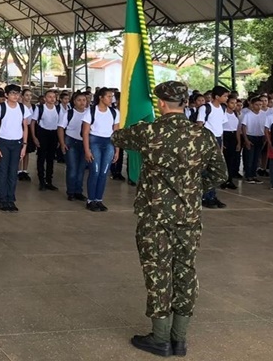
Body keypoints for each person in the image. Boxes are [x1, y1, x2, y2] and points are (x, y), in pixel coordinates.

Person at [111, 81, 227, 357]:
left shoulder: (149, 131)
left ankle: (160, 338)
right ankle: (180, 339)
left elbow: (118, 138)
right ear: (184, 103)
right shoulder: (203, 135)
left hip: (155, 215)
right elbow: (220, 173)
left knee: (158, 271)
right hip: (188, 215)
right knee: (185, 270)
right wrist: (194, 189)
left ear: (161, 103)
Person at [0, 84, 29, 212]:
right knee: (2, 171)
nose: (15, 96)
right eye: (12, 93)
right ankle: (2, 199)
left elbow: (25, 127)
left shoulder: (22, 108)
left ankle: (11, 199)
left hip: (17, 143)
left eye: (17, 93)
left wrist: (24, 145)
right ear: (6, 95)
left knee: (13, 172)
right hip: (3, 142)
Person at [82, 87, 119, 212]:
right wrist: (87, 150)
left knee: (104, 173)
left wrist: (117, 149)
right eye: (108, 96)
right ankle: (90, 200)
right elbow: (85, 132)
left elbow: (116, 132)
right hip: (94, 142)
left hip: (109, 142)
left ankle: (99, 199)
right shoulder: (91, 111)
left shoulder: (114, 113)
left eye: (112, 96)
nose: (111, 99)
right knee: (95, 171)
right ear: (100, 97)